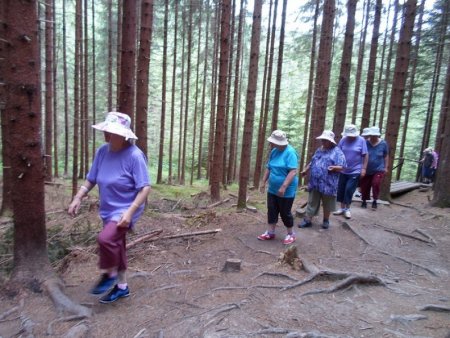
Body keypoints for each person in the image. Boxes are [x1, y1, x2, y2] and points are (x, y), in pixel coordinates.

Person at [68, 112, 151, 304]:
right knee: (118, 245)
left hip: (126, 209)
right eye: (106, 130)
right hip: (108, 209)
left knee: (105, 239)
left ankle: (110, 273)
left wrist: (130, 213)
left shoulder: (135, 156)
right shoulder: (102, 152)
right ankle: (122, 287)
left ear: (124, 134)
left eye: (111, 131)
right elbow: (91, 178)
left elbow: (145, 188)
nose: (106, 134)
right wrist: (78, 197)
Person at [298, 130, 346, 229]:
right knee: (312, 201)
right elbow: (312, 161)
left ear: (331, 141)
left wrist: (334, 168)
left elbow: (343, 167)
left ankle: (326, 220)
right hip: (315, 182)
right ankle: (308, 220)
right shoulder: (319, 150)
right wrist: (306, 170)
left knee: (327, 203)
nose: (323, 142)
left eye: (325, 140)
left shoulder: (337, 152)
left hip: (329, 183)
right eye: (322, 140)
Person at [258, 130, 299, 245]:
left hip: (286, 189)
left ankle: (291, 234)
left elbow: (292, 171)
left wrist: (283, 187)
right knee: (272, 209)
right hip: (272, 188)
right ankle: (270, 232)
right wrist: (263, 182)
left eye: (273, 142)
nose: (271, 144)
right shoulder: (274, 151)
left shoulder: (290, 153)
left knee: (285, 212)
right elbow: (269, 167)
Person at [333, 124, 368, 219]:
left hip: (355, 170)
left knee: (349, 189)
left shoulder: (361, 140)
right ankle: (342, 208)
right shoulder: (343, 140)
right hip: (342, 170)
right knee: (341, 189)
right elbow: (338, 153)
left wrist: (364, 168)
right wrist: (336, 166)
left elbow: (365, 155)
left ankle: (347, 209)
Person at [359, 127, 389, 209]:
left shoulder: (383, 143)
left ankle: (375, 200)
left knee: (376, 183)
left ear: (377, 135)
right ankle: (364, 201)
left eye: (374, 135)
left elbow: (386, 155)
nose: (373, 137)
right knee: (365, 185)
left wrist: (386, 167)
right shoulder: (365, 142)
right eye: (371, 135)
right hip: (366, 169)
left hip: (379, 169)